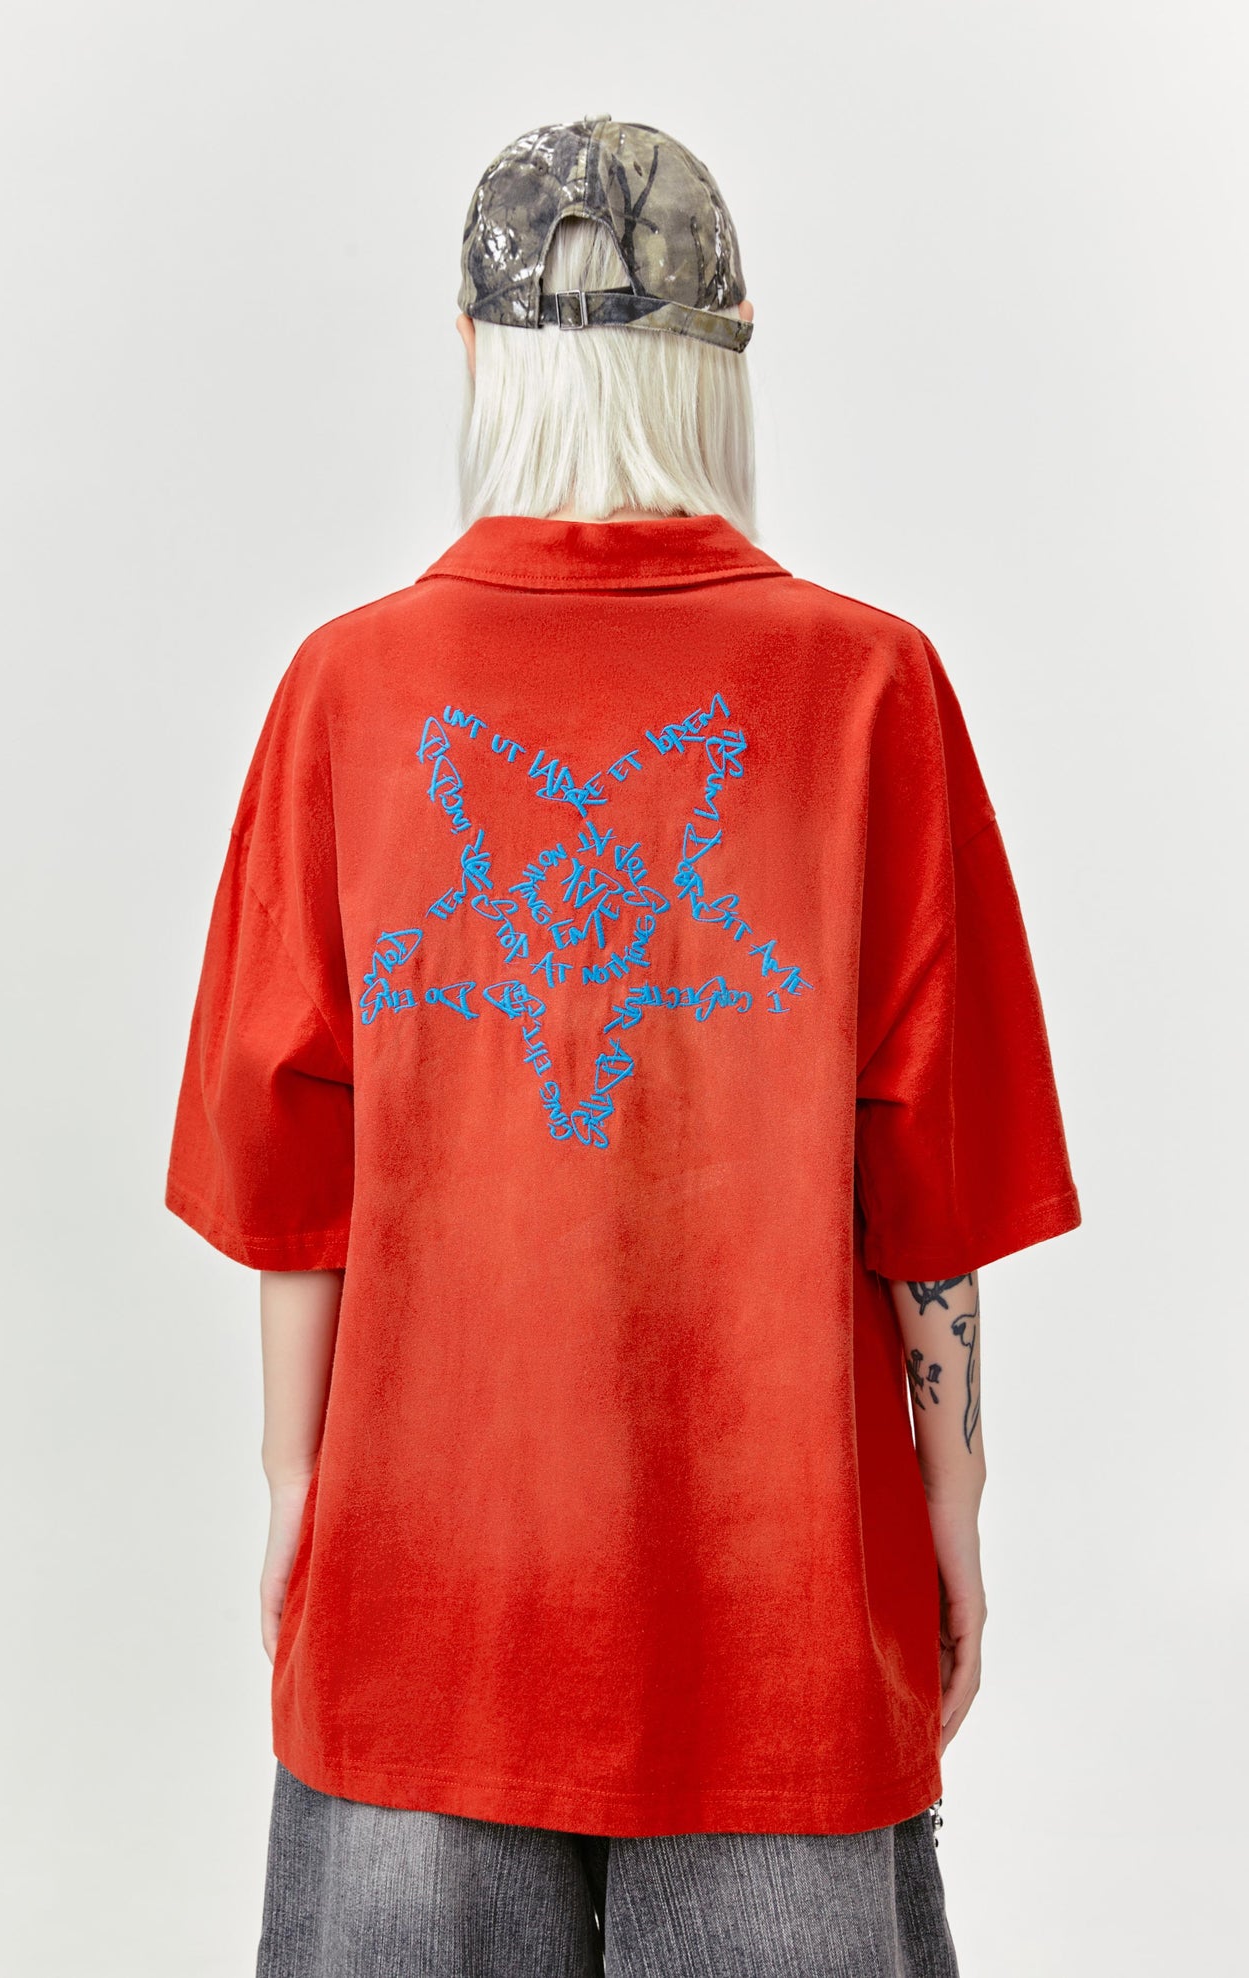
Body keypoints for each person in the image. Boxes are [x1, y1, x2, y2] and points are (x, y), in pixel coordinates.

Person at [165, 115, 1080, 1978]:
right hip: (780, 1611)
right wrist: (952, 1497)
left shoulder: (348, 692)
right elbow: (931, 1184)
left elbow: (293, 1181)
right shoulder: (868, 690)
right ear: (730, 347)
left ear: (472, 351)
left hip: (423, 1602)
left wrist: (293, 1487)